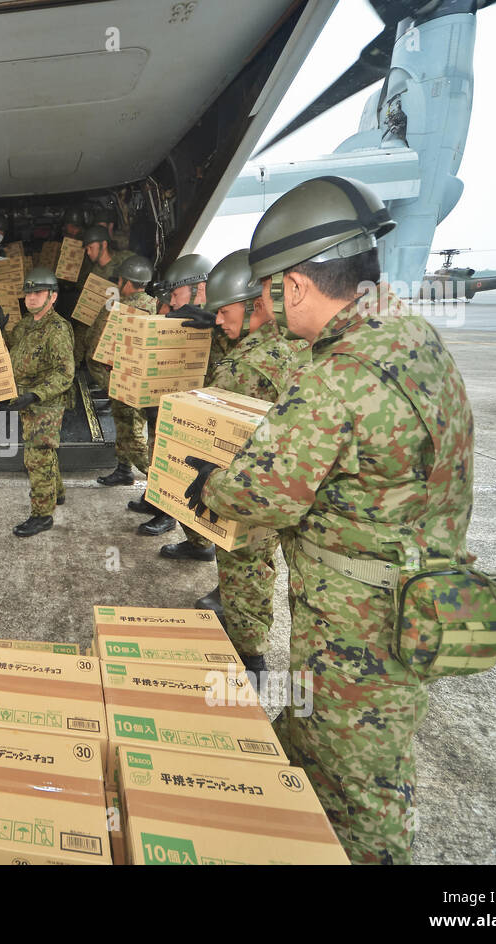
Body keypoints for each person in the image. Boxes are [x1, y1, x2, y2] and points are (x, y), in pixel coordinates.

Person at [186, 175, 474, 864]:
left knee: (359, 798)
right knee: (328, 754)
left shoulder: (342, 373)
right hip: (414, 605)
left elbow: (266, 489)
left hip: (360, 628)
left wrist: (207, 485)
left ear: (294, 287)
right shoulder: (413, 340)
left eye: (269, 290)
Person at [188, 248, 308, 677]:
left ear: (254, 304)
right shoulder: (285, 343)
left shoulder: (248, 367)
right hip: (280, 487)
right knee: (257, 563)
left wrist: (211, 481)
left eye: (224, 311)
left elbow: (230, 440)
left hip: (248, 488)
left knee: (244, 563)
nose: (218, 320)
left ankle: (248, 656)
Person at [132, 253, 214, 537]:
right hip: (171, 406)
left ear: (200, 288)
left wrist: (216, 324)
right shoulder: (186, 320)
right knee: (159, 455)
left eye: (177, 294)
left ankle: (168, 514)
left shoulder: (221, 323)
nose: (174, 302)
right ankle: (157, 500)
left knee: (181, 465)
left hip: (198, 416)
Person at [6, 267, 75, 537]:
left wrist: (35, 395)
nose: (31, 298)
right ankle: (56, 493)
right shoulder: (27, 323)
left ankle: (42, 515)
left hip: (44, 404)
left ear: (53, 296)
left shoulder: (57, 328)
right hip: (27, 400)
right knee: (45, 453)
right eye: (28, 293)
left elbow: (65, 373)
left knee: (37, 458)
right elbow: (13, 349)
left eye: (38, 293)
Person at [88, 253, 157, 487]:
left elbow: (95, 344)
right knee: (132, 428)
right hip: (147, 381)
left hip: (122, 379)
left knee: (130, 431)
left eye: (120, 281)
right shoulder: (157, 308)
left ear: (126, 283)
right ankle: (123, 469)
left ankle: (158, 481)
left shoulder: (116, 310)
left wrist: (108, 383)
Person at [71, 225, 131, 369]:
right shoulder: (94, 273)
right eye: (86, 249)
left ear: (103, 244)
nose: (88, 252)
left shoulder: (125, 261)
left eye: (91, 247)